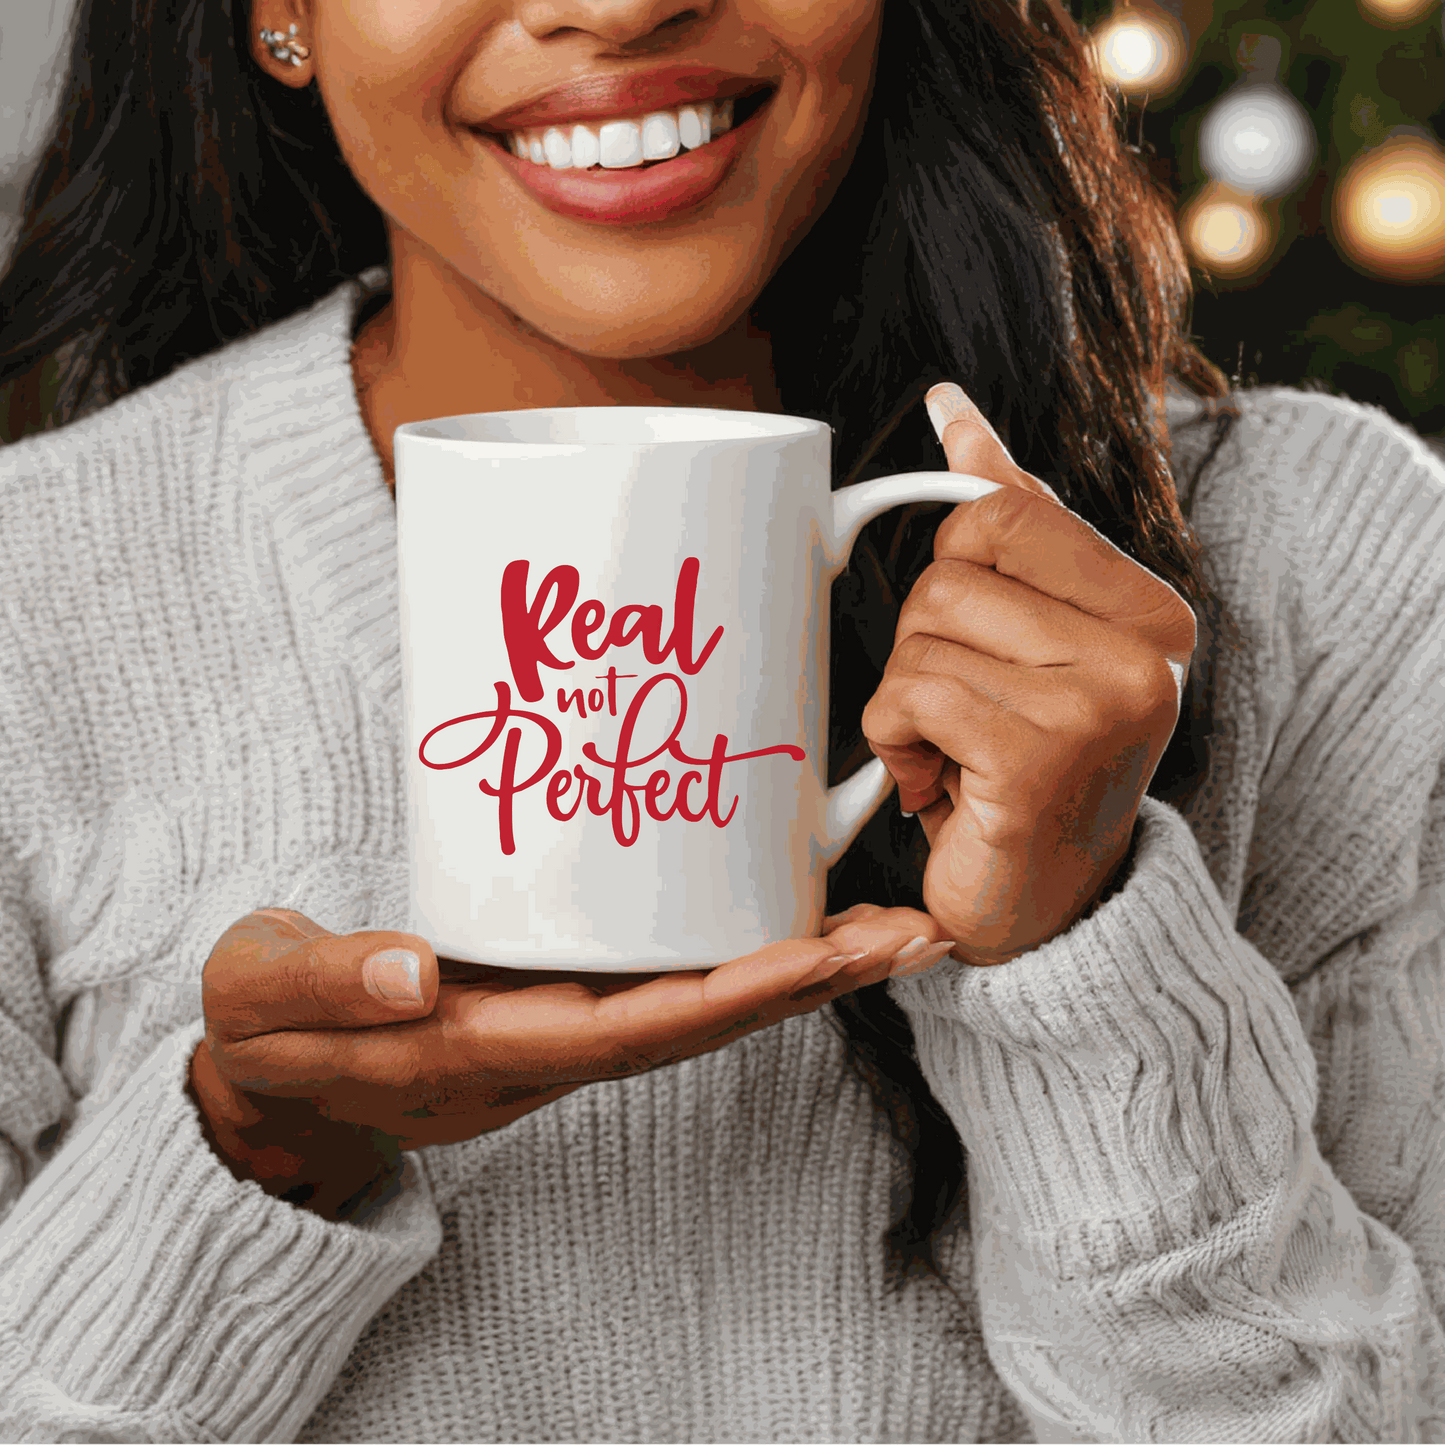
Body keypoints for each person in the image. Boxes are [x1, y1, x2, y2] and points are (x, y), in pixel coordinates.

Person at [0, 0, 1441, 1437]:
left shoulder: (1322, 564)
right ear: (280, 14)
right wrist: (254, 1155)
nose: (620, 7)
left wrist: (1084, 951)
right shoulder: (36, 596)